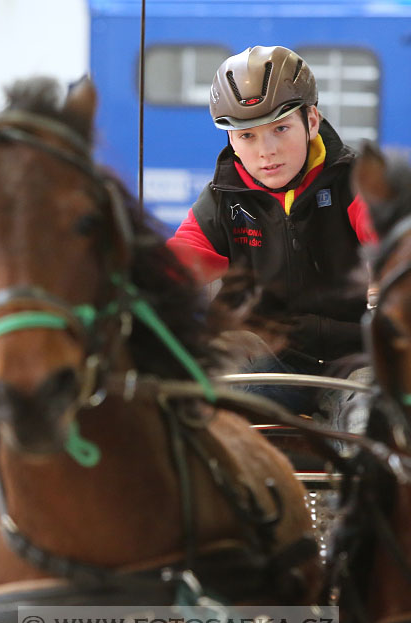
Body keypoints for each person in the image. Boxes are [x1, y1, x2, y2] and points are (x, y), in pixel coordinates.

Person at [166, 45, 375, 415]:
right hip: (272, 360)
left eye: (280, 128)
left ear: (311, 121)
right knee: (197, 401)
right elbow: (175, 265)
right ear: (231, 139)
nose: (266, 152)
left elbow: (396, 246)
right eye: (247, 136)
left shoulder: (356, 181)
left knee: (370, 421)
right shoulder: (222, 198)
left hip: (357, 362)